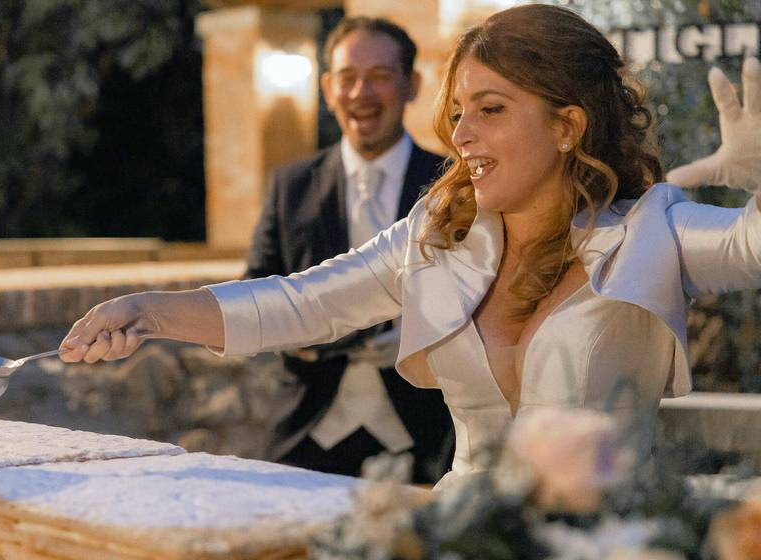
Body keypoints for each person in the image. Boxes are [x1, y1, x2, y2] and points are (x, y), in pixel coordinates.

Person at [60, 4, 761, 488]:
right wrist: (148, 310)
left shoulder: (653, 233)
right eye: (458, 113)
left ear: (567, 124)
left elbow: (751, 246)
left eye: (490, 110)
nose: (461, 136)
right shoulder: (436, 237)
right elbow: (294, 304)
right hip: (458, 550)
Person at [243, 16, 454, 483]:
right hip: (306, 431)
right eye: (348, 77)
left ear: (412, 85)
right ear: (328, 88)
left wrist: (425, 341)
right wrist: (302, 335)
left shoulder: (454, 184)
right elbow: (255, 291)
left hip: (429, 437)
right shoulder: (290, 186)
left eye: (379, 76)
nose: (362, 92)